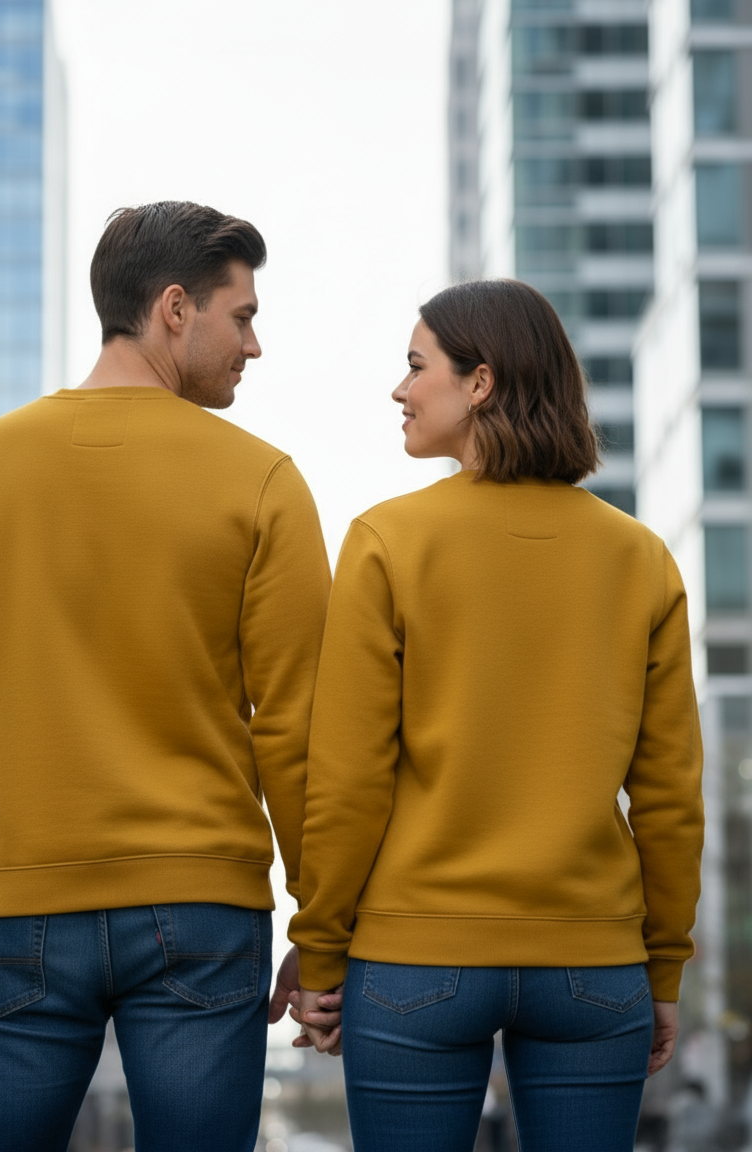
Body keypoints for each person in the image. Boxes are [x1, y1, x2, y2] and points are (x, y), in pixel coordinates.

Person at [0, 201, 331, 1152]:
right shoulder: (263, 482)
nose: (254, 345)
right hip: (203, 908)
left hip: (20, 906)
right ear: (174, 308)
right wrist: (322, 924)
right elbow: (297, 728)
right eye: (242, 316)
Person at [289, 279, 704, 1151]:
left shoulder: (387, 541)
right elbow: (670, 797)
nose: (400, 389)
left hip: (415, 958)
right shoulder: (641, 558)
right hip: (594, 964)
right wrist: (662, 967)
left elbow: (348, 781)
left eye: (416, 366)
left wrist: (321, 954)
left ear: (480, 382)